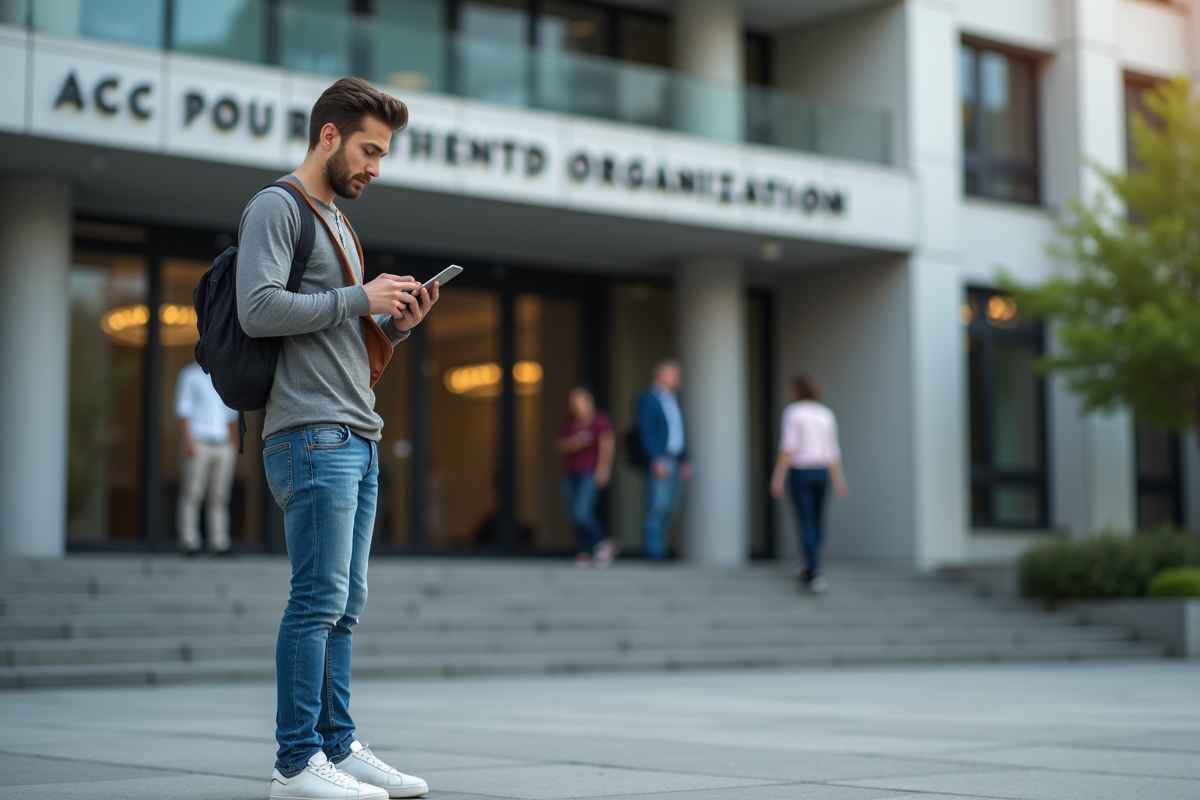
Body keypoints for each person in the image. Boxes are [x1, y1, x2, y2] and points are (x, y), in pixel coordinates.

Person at [237, 77, 438, 800]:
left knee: (344, 603)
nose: (376, 168)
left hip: (356, 431)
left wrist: (395, 324)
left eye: (382, 154)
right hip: (309, 435)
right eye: (370, 151)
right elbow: (258, 309)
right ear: (329, 136)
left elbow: (340, 339)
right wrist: (360, 296)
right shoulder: (277, 207)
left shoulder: (340, 224)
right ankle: (295, 763)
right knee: (315, 599)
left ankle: (337, 744)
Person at [769, 374, 849, 593]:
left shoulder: (793, 413)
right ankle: (813, 564)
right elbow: (832, 450)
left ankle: (812, 568)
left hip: (801, 472)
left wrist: (777, 477)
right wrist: (838, 478)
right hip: (822, 472)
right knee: (817, 520)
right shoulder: (825, 414)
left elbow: (788, 447)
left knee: (806, 520)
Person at [174, 358, 239, 555]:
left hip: (222, 444)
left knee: (220, 495)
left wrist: (233, 443)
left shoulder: (223, 376)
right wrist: (188, 442)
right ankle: (189, 540)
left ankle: (219, 542)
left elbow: (230, 414)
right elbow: (183, 411)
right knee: (193, 492)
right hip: (199, 440)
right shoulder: (189, 375)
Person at [635, 359, 692, 560]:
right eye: (674, 374)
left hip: (676, 459)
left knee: (670, 508)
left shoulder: (673, 399)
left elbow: (680, 431)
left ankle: (659, 546)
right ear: (660, 375)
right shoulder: (648, 399)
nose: (678, 378)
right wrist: (655, 458)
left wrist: (686, 458)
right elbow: (646, 431)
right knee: (657, 506)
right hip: (660, 459)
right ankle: (654, 552)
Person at [556, 386, 616, 568]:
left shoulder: (599, 420)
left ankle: (604, 542)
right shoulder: (569, 423)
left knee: (582, 512)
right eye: (573, 402)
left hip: (589, 472)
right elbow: (558, 445)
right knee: (573, 514)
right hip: (570, 472)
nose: (576, 405)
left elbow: (607, 444)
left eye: (579, 401)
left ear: (589, 401)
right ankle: (584, 552)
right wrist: (572, 444)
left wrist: (603, 469)